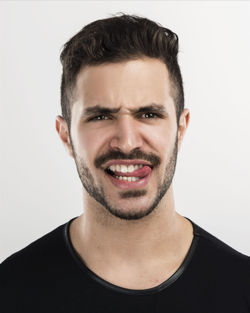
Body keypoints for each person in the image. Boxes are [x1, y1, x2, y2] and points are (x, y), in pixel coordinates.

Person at [1, 13, 249, 313]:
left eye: (148, 114)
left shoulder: (241, 287)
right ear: (65, 135)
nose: (128, 141)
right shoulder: (11, 289)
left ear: (180, 128)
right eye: (101, 117)